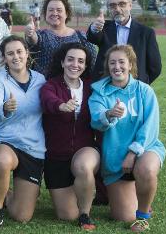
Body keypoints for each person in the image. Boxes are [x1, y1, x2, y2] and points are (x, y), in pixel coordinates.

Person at [88, 45, 165, 232]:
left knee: (145, 169)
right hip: (115, 158)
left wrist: (133, 152)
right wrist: (109, 114)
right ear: (108, 66)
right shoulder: (99, 93)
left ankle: (144, 216)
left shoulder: (144, 91)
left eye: (122, 62)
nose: (117, 67)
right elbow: (96, 122)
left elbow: (150, 127)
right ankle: (137, 195)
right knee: (122, 216)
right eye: (112, 62)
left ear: (130, 64)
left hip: (146, 148)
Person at [0, 35, 46, 231]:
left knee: (21, 216)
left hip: (33, 147)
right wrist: (5, 108)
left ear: (27, 53)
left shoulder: (40, 79)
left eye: (19, 51)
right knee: (2, 162)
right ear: (4, 58)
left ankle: (9, 194)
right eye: (10, 53)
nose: (16, 56)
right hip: (6, 141)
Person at [40, 43, 100, 230]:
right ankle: (11, 196)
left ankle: (85, 214)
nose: (75, 64)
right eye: (71, 59)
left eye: (81, 61)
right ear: (62, 62)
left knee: (83, 166)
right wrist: (61, 106)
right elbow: (48, 100)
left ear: (85, 65)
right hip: (56, 156)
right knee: (66, 215)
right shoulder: (50, 85)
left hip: (85, 149)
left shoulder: (92, 87)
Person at [87, 0, 162, 84]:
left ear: (130, 5)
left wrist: (141, 83)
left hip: (134, 90)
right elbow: (92, 37)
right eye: (112, 5)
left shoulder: (146, 33)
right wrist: (94, 28)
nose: (117, 9)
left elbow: (155, 67)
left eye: (122, 4)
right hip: (106, 89)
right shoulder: (103, 28)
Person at [25, 0, 97, 77]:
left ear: (66, 13)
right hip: (45, 88)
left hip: (74, 88)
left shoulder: (81, 37)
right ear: (46, 13)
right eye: (51, 10)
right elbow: (33, 40)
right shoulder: (41, 36)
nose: (55, 13)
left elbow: (92, 65)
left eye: (59, 10)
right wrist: (30, 34)